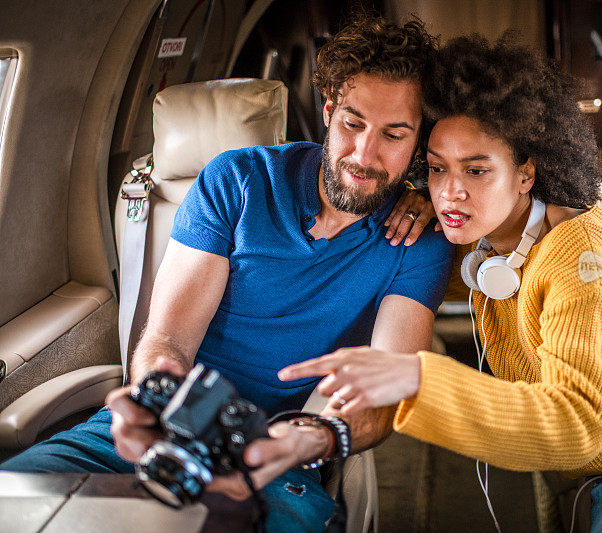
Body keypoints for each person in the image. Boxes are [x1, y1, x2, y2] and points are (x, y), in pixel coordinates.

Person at [280, 35, 602, 532]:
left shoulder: (581, 249)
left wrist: (417, 378)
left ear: (527, 174)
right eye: (437, 170)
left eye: (477, 171)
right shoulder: (481, 244)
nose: (450, 194)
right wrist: (413, 194)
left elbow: (573, 423)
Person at [0, 16, 453, 532]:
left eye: (393, 135)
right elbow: (168, 338)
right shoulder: (235, 180)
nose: (364, 155)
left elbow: (386, 387)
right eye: (352, 124)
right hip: (163, 429)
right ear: (328, 112)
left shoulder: (421, 240)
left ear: (419, 146)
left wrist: (315, 437)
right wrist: (158, 403)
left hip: (279, 461)